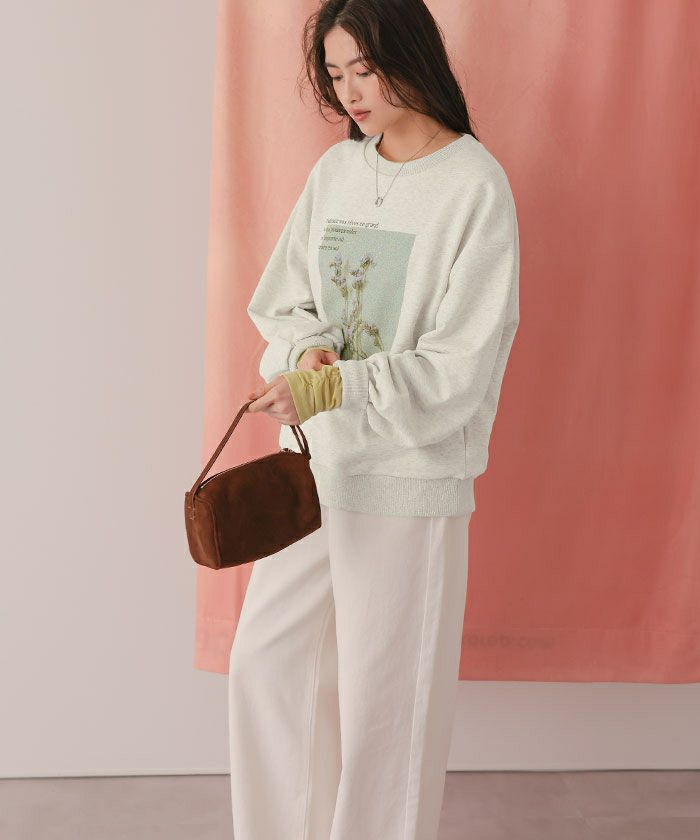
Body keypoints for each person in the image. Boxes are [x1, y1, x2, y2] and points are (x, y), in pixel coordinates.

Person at [228, 1, 520, 837]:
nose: (350, 91)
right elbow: (283, 301)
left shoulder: (473, 187)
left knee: (388, 710)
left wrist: (331, 389)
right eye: (336, 74)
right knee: (267, 667)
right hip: (314, 471)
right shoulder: (337, 173)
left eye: (365, 69)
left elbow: (459, 370)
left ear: (410, 56)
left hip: (407, 482)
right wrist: (309, 349)